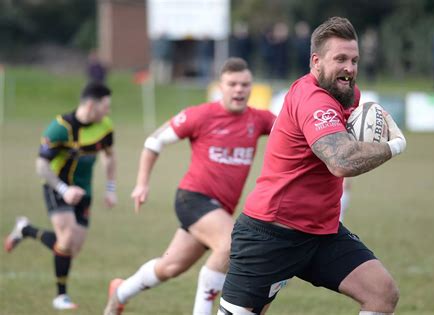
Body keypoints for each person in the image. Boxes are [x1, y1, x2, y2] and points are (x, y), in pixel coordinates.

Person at [217, 17, 407, 315]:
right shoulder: (312, 100)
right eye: (340, 59)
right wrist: (393, 146)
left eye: (354, 60)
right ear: (315, 62)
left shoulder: (349, 95)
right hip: (270, 235)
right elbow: (341, 160)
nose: (350, 68)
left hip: (321, 234)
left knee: (382, 293)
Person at [104, 57, 275, 315]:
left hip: (219, 210)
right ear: (221, 86)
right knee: (231, 243)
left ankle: (119, 293)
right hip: (192, 199)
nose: (239, 89)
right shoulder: (201, 115)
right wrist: (141, 184)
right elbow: (154, 142)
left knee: (170, 267)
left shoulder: (259, 119)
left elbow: (294, 130)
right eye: (233, 84)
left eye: (245, 84)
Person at [3, 82, 117, 310]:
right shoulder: (60, 128)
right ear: (91, 104)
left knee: (73, 248)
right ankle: (61, 296)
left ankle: (25, 229)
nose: (108, 111)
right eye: (105, 106)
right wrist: (64, 190)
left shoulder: (105, 126)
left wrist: (110, 189)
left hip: (85, 191)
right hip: (56, 186)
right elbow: (41, 166)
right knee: (65, 238)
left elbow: (110, 156)